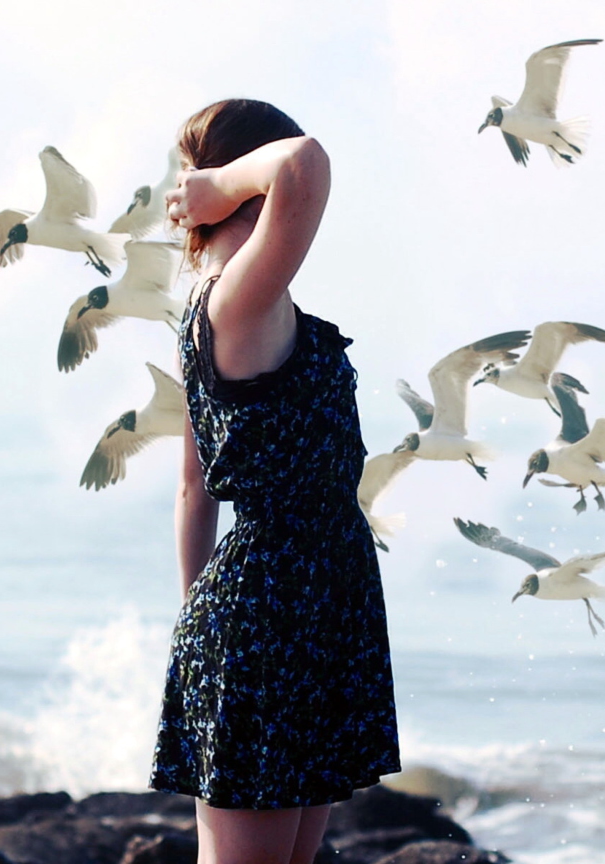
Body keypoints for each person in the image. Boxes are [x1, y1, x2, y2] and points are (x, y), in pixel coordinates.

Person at [151, 99, 400, 864]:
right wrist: (223, 181)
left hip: (311, 604)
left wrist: (198, 623)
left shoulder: (245, 303)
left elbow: (195, 486)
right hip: (275, 605)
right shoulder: (237, 298)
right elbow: (306, 164)